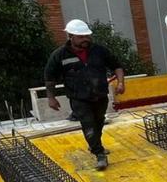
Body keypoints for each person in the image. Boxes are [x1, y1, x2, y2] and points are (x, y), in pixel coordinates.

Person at [44, 19, 125, 170]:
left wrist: (121, 83)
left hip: (100, 95)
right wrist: (51, 97)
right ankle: (99, 154)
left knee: (99, 122)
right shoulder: (60, 55)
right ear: (70, 36)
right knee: (88, 124)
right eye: (81, 37)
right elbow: (50, 78)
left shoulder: (99, 50)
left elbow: (117, 66)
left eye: (87, 36)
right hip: (78, 97)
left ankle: (95, 144)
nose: (85, 39)